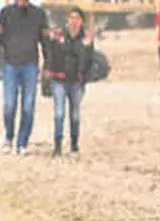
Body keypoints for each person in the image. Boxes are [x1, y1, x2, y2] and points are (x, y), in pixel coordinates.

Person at [0, 0, 50, 155]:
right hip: (10, 65)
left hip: (31, 66)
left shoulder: (39, 14)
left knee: (28, 107)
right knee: (9, 105)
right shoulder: (5, 13)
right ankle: (9, 138)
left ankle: (22, 142)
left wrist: (48, 65)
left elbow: (46, 42)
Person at [44, 7, 94, 156]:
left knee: (75, 115)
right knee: (59, 113)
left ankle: (74, 145)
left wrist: (85, 77)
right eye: (71, 17)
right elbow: (50, 54)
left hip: (76, 81)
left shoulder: (86, 39)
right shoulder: (58, 35)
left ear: (82, 21)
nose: (74, 21)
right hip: (59, 79)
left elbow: (90, 60)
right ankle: (57, 145)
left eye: (77, 18)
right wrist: (48, 73)